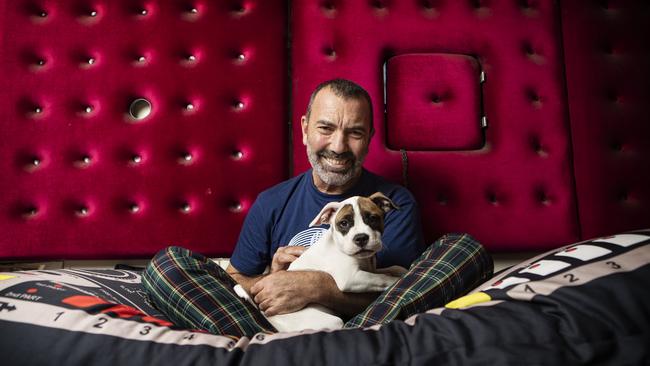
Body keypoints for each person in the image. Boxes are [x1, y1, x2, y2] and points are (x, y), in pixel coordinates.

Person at [142, 79, 493, 338]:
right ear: (306, 130)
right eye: (326, 128)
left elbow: (410, 291)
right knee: (167, 265)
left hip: (360, 326)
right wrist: (270, 277)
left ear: (369, 138)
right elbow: (235, 282)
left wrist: (315, 287)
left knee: (465, 251)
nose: (338, 146)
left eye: (354, 133)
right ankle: (272, 348)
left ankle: (300, 351)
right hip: (270, 323)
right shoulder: (273, 202)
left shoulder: (392, 202)